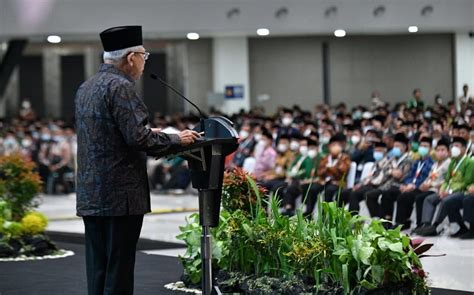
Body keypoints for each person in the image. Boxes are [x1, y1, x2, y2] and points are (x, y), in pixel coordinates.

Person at [75, 26, 200, 295]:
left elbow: (106, 133)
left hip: (91, 193)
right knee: (118, 269)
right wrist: (178, 139)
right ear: (131, 57)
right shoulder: (121, 87)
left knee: (98, 268)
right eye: (145, 56)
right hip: (120, 196)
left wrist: (149, 133)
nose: (145, 62)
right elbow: (139, 141)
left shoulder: (87, 87)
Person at [416, 137, 474, 236]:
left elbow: (466, 182)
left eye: (457, 146)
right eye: (453, 146)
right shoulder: (453, 162)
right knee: (429, 199)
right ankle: (426, 224)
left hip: (460, 190)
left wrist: (449, 191)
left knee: (447, 201)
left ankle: (436, 226)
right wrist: (442, 190)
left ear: (464, 149)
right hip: (448, 190)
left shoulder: (469, 162)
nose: (454, 148)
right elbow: (447, 180)